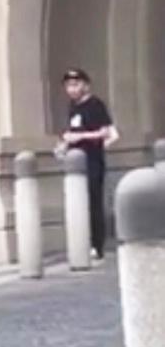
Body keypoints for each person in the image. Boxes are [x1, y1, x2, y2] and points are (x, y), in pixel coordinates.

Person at [58, 69, 119, 260]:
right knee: (79, 201)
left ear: (85, 85)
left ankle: (96, 244)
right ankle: (82, 242)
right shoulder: (73, 107)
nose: (72, 89)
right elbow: (73, 130)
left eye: (75, 85)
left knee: (94, 201)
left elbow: (106, 132)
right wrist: (64, 144)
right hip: (76, 163)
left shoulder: (95, 105)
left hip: (93, 159)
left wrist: (81, 137)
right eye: (68, 86)